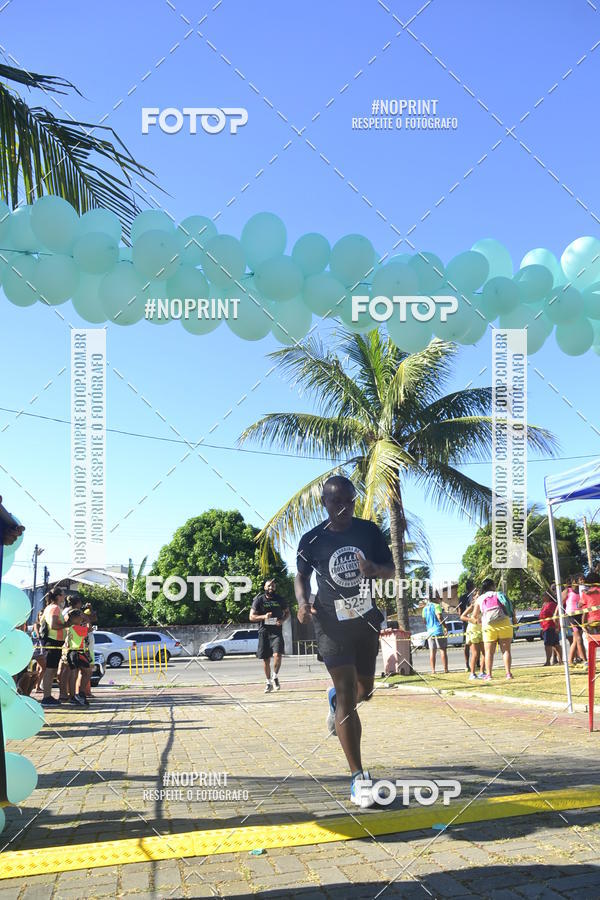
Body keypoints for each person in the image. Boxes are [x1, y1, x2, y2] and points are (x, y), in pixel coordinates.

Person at [295, 475, 395, 808]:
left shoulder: (369, 532)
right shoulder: (312, 539)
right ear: (324, 502)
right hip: (330, 625)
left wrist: (375, 568)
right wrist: (302, 603)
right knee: (349, 695)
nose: (343, 507)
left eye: (349, 501)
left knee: (364, 691)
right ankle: (358, 778)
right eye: (336, 501)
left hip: (365, 622)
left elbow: (392, 569)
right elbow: (301, 576)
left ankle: (334, 699)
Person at [249, 578, 290, 692]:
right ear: (265, 587)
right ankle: (268, 683)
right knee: (266, 660)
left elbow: (287, 613)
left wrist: (282, 620)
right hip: (264, 632)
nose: (271, 588)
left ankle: (275, 676)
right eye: (269, 586)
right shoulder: (259, 600)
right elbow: (251, 617)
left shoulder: (280, 599)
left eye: (273, 586)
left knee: (278, 655)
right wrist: (264, 616)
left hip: (276, 632)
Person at [474, 579, 516, 681]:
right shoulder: (499, 594)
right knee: (506, 650)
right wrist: (514, 620)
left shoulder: (480, 598)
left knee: (488, 652)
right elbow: (511, 608)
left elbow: (475, 615)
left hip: (489, 626)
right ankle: (508, 673)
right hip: (504, 623)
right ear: (493, 586)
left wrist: (480, 621)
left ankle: (489, 674)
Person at [40, 586, 67, 706]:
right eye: (62, 594)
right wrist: (67, 624)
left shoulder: (51, 607)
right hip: (53, 641)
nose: (64, 596)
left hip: (55, 642)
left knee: (52, 670)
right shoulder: (54, 608)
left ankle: (48, 696)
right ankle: (46, 697)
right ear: (57, 596)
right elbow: (53, 625)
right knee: (50, 670)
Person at [61, 609, 92, 706]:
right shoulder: (74, 627)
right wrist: (87, 619)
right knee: (75, 674)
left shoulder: (73, 627)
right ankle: (74, 695)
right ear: (74, 618)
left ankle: (79, 693)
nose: (81, 618)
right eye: (80, 616)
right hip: (76, 652)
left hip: (78, 651)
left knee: (85, 672)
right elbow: (89, 629)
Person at [460, 593, 485, 680]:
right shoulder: (472, 606)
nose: (479, 597)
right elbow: (462, 616)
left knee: (485, 652)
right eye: (477, 596)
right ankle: (472, 673)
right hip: (473, 631)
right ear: (473, 598)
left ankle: (482, 672)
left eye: (480, 595)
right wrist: (471, 619)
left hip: (482, 630)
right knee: (475, 653)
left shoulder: (484, 605)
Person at [421, 597, 448, 675]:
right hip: (438, 631)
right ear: (435, 598)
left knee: (432, 651)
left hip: (430, 632)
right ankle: (445, 669)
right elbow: (439, 617)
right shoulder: (437, 606)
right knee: (442, 650)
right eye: (438, 598)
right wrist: (445, 627)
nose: (439, 600)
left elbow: (424, 621)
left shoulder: (424, 608)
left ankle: (433, 670)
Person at [564, 576, 586, 665]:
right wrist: (556, 614)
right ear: (574, 581)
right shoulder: (568, 591)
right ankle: (585, 660)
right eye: (580, 580)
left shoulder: (581, 590)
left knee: (575, 640)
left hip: (580, 615)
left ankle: (570, 661)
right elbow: (560, 603)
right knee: (579, 638)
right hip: (571, 616)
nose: (582, 581)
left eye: (583, 579)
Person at [540, 588, 562, 666]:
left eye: (544, 595)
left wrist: (557, 627)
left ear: (549, 596)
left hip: (551, 627)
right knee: (554, 644)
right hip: (545, 627)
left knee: (550, 645)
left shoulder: (552, 605)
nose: (542, 597)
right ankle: (556, 661)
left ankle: (549, 661)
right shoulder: (544, 605)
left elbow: (556, 616)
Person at [457, 579, 475, 672]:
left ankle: (467, 664)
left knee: (467, 644)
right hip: (474, 621)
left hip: (465, 622)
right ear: (472, 587)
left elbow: (459, 612)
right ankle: (477, 663)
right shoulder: (474, 597)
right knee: (477, 642)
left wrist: (463, 619)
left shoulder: (462, 597)